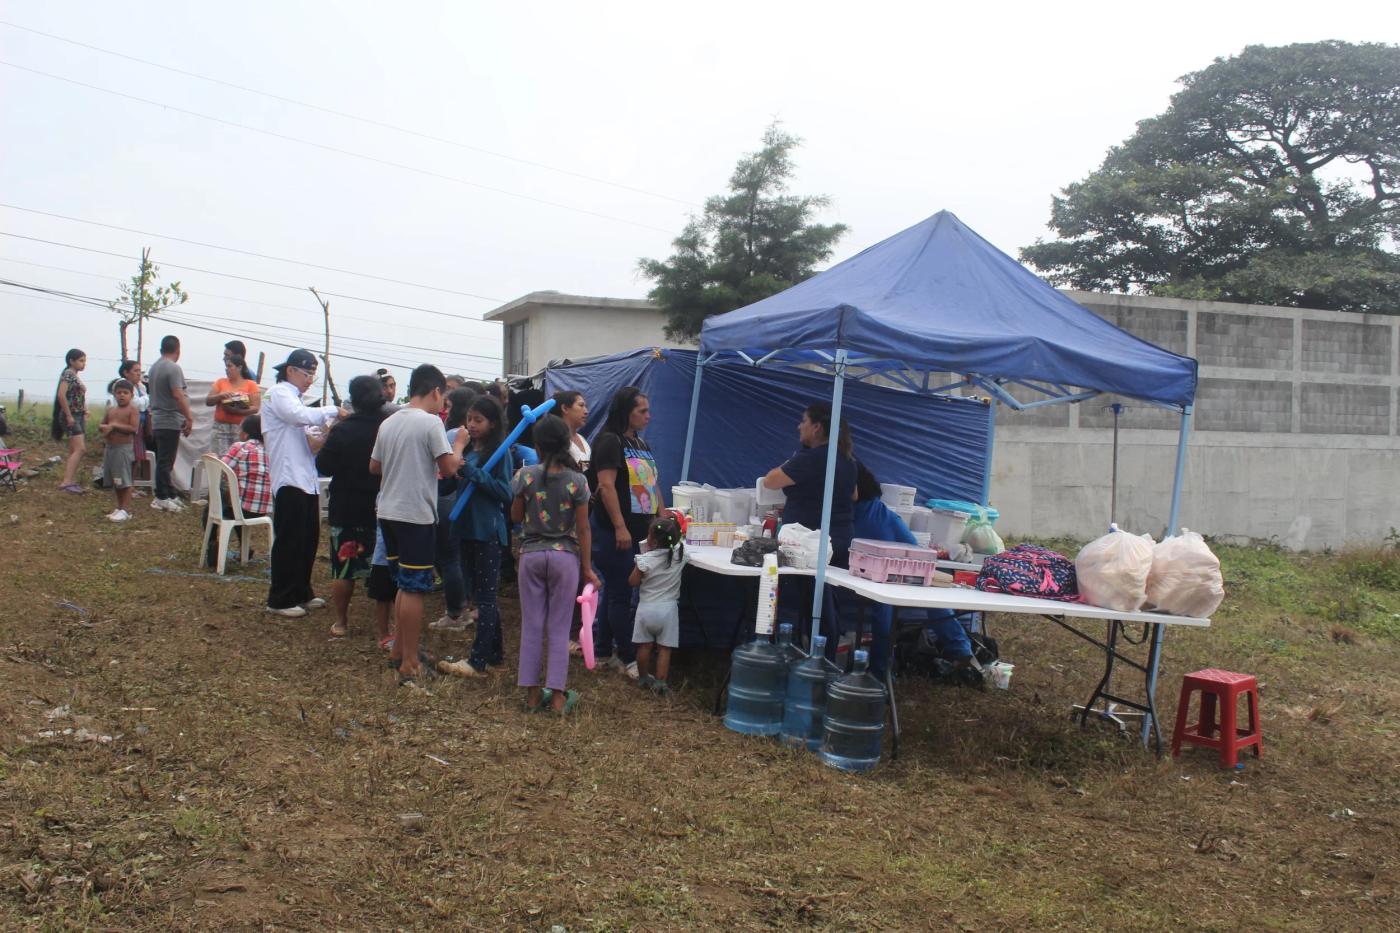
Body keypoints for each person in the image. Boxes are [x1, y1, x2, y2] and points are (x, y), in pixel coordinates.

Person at [370, 364, 464, 687]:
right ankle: (409, 662)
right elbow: (449, 467)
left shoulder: (390, 421)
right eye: (444, 397)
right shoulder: (430, 424)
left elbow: (374, 465)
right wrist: (461, 443)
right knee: (414, 587)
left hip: (388, 511)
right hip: (415, 515)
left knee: (402, 582)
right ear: (436, 391)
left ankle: (399, 650)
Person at [852, 459, 974, 680]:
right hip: (905, 557)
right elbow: (915, 551)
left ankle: (881, 670)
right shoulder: (880, 510)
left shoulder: (862, 514)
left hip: (886, 567)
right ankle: (960, 650)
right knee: (930, 597)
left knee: (885, 606)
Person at [510, 414, 596, 714]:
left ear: (537, 446)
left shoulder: (525, 476)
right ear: (566, 444)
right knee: (560, 629)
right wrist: (587, 568)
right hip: (565, 558)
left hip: (531, 555)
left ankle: (533, 695)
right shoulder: (578, 481)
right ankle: (558, 696)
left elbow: (516, 518)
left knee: (532, 626)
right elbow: (584, 529)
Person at [763, 402, 857, 654]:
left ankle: (819, 657)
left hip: (813, 543)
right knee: (825, 597)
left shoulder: (812, 458)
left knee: (816, 601)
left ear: (816, 428)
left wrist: (795, 464)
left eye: (803, 421)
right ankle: (822, 651)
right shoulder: (847, 459)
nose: (799, 426)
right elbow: (854, 494)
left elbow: (771, 480)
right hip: (840, 537)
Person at [262, 349, 345, 618]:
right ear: (290, 371)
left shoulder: (296, 399)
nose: (310, 379)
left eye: (313, 374)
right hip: (289, 479)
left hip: (306, 479)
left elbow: (311, 444)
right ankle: (280, 598)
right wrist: (334, 410)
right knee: (289, 540)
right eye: (306, 373)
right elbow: (299, 416)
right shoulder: (279, 394)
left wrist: (328, 431)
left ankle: (301, 591)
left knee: (307, 539)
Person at [587, 386, 662, 678]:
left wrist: (661, 517)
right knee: (621, 592)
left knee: (616, 590)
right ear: (625, 412)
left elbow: (653, 484)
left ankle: (604, 650)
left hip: (639, 531)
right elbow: (606, 486)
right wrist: (619, 526)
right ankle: (629, 656)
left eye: (647, 410)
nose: (648, 416)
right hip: (613, 531)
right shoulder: (609, 441)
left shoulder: (641, 444)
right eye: (641, 411)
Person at [439, 396, 513, 676]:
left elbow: (505, 492)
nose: (472, 424)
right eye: (470, 419)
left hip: (487, 531)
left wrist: (472, 473)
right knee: (480, 595)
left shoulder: (500, 453)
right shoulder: (468, 450)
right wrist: (449, 477)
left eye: (478, 420)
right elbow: (452, 487)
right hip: (465, 528)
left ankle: (477, 661)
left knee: (486, 599)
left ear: (492, 423)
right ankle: (495, 656)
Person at [316, 375, 391, 637]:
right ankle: (385, 627)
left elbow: (323, 466)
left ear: (354, 400)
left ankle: (341, 621)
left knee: (343, 566)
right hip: (382, 507)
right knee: (383, 568)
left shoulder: (343, 430)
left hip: (346, 506)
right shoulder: (388, 427)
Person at [431, 386, 481, 631]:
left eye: (449, 405)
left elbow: (446, 468)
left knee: (449, 558)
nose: (444, 409)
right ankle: (470, 604)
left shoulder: (453, 434)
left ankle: (455, 613)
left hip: (447, 497)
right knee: (462, 557)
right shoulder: (478, 435)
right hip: (466, 499)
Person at [628, 513, 687, 696]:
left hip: (646, 608)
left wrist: (644, 557)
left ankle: (644, 678)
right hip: (668, 610)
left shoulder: (645, 560)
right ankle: (661, 683)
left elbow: (633, 582)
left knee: (644, 646)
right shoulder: (680, 556)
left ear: (651, 539)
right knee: (664, 649)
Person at [206, 414, 271, 567]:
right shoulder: (270, 450)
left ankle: (212, 544)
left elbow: (222, 468)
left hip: (241, 507)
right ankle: (244, 549)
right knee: (237, 506)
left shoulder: (240, 447)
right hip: (263, 509)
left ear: (245, 434)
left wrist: (213, 457)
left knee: (214, 505)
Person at [147, 336, 194, 512]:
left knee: (164, 459)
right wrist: (188, 417)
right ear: (178, 350)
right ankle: (161, 496)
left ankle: (169, 493)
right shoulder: (173, 368)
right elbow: (177, 394)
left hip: (158, 418)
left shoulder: (154, 368)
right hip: (168, 419)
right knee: (166, 460)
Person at [99, 378, 140, 521]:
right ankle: (119, 506)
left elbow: (134, 428)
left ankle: (126, 509)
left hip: (124, 449)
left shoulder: (132, 410)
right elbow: (103, 424)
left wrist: (115, 426)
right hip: (111, 447)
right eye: (119, 392)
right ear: (114, 394)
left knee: (125, 480)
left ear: (131, 395)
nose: (122, 395)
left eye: (125, 393)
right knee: (116, 480)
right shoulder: (111, 410)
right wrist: (105, 428)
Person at [206, 353, 261, 455]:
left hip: (239, 429)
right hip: (220, 428)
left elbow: (256, 408)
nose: (227, 369)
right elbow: (208, 401)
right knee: (218, 459)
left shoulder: (250, 384)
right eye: (226, 366)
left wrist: (238, 410)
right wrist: (221, 396)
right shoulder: (220, 382)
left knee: (237, 457)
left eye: (230, 366)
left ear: (239, 367)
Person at [51, 348, 88, 494]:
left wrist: (85, 410)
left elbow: (78, 397)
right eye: (81, 360)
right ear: (71, 361)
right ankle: (66, 482)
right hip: (71, 415)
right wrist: (68, 415)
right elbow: (61, 395)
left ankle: (70, 480)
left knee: (74, 449)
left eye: (84, 361)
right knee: (80, 449)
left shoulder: (75, 375)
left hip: (78, 414)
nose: (83, 364)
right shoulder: (68, 374)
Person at [109, 360, 150, 483]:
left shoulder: (140, 386)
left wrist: (145, 400)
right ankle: (124, 483)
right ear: (126, 373)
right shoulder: (122, 386)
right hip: (126, 426)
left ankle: (131, 484)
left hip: (139, 426)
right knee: (126, 456)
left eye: (139, 371)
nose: (138, 374)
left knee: (136, 456)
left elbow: (145, 403)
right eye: (135, 371)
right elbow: (138, 404)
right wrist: (146, 400)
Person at [552, 390, 591, 473]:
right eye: (581, 405)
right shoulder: (555, 440)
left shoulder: (581, 438)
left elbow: (586, 467)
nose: (586, 411)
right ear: (565, 408)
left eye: (585, 406)